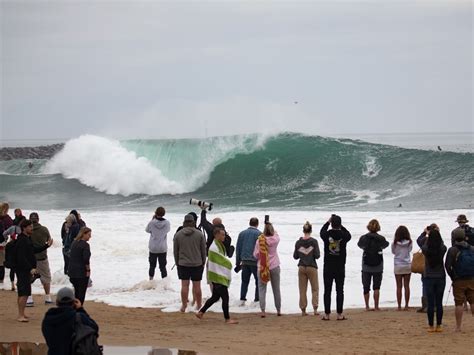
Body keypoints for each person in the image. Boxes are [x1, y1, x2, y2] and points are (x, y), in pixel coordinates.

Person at [196, 226, 238, 324]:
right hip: (218, 276)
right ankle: (227, 319)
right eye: (222, 235)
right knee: (225, 298)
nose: (224, 237)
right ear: (216, 235)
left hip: (216, 275)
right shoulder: (214, 247)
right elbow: (221, 260)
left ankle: (201, 312)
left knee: (215, 297)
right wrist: (229, 264)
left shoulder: (218, 244)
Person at [42, 287, 99, 355]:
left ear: (57, 302)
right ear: (74, 302)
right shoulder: (78, 317)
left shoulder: (48, 318)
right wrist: (81, 309)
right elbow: (95, 328)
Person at [14, 219, 53, 322]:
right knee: (24, 293)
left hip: (24, 270)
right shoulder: (22, 240)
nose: (32, 228)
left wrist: (46, 246)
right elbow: (21, 257)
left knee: (23, 292)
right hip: (23, 270)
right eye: (30, 227)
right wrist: (30, 268)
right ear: (24, 228)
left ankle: (22, 313)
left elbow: (34, 250)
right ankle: (20, 315)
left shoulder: (27, 238)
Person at [320, 214, 351, 320]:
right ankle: (339, 314)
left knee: (327, 290)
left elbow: (321, 232)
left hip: (328, 266)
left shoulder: (327, 235)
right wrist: (341, 226)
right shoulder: (344, 235)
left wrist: (327, 222)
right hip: (340, 266)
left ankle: (327, 314)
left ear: (331, 224)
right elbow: (349, 235)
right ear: (340, 224)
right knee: (339, 290)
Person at [173, 214, 207, 312]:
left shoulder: (178, 235)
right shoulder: (199, 234)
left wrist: (177, 262)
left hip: (183, 264)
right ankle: (199, 305)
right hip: (197, 263)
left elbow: (176, 251)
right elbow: (203, 250)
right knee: (197, 286)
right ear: (193, 222)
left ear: (184, 222)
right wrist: (203, 262)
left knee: (184, 285)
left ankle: (184, 306)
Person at [445, 228, 474, 332]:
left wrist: (453, 277)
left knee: (459, 303)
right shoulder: (472, 248)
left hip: (458, 279)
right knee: (472, 301)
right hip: (471, 278)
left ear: (454, 238)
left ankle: (458, 327)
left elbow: (447, 266)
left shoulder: (452, 250)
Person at [357, 219, 389, 311]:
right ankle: (376, 306)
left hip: (366, 264)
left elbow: (360, 245)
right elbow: (385, 245)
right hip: (378, 264)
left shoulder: (364, 238)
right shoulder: (381, 238)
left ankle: (367, 306)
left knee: (366, 286)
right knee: (376, 287)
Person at [420, 228, 447, 332]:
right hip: (440, 276)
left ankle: (431, 326)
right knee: (439, 303)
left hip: (429, 277)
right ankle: (439, 325)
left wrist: (426, 234)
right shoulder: (442, 248)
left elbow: (420, 241)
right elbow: (443, 244)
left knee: (430, 303)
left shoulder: (426, 249)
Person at [253, 222, 281, 317]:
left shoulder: (259, 241)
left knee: (262, 289)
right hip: (274, 266)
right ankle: (278, 310)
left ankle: (263, 311)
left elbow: (256, 255)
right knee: (276, 289)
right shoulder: (276, 239)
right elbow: (276, 234)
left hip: (262, 266)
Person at [293, 221, 320, 316]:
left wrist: (302, 252)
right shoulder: (314, 241)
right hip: (312, 266)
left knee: (302, 289)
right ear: (311, 230)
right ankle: (315, 309)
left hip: (301, 267)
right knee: (315, 288)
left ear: (303, 230)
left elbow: (295, 256)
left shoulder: (298, 242)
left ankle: (303, 310)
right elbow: (317, 256)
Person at [27, 212, 53, 306]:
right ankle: (48, 298)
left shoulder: (27, 230)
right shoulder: (44, 229)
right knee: (46, 278)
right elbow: (49, 241)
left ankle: (29, 299)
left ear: (30, 220)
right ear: (38, 219)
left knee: (28, 278)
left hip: (30, 259)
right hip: (42, 257)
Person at [235, 217, 261, 305]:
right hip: (255, 262)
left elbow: (238, 249)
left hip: (244, 262)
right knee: (258, 282)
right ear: (257, 224)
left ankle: (242, 299)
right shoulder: (259, 234)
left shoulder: (242, 233)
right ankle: (256, 300)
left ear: (249, 223)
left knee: (245, 281)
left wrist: (237, 263)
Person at [416, 223, 439, 313]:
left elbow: (418, 240)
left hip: (426, 266)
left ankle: (426, 306)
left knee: (425, 285)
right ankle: (435, 306)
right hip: (437, 267)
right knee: (435, 287)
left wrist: (424, 232)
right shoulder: (439, 241)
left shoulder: (425, 240)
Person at [145, 206, 171, 280]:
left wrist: (153, 219)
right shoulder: (167, 223)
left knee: (152, 265)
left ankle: (150, 280)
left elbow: (147, 230)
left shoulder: (152, 222)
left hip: (153, 247)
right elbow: (167, 230)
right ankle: (165, 282)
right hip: (162, 247)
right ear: (164, 213)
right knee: (163, 266)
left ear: (156, 213)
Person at [68, 227, 92, 305]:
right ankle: (78, 309)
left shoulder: (74, 243)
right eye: (89, 235)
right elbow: (86, 259)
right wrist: (88, 270)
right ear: (83, 234)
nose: (90, 237)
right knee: (81, 294)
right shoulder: (85, 245)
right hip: (81, 272)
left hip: (72, 271)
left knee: (76, 292)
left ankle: (74, 309)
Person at [391, 225, 413, 310]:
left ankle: (399, 306)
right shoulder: (410, 242)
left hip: (398, 265)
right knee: (407, 286)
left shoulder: (395, 243)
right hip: (407, 264)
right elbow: (410, 250)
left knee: (399, 286)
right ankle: (406, 305)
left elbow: (393, 252)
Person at [0, 202, 14, 286]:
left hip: (2, 243)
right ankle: (1, 282)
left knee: (1, 263)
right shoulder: (7, 218)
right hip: (2, 242)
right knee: (1, 263)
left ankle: (1, 282)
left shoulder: (7, 219)